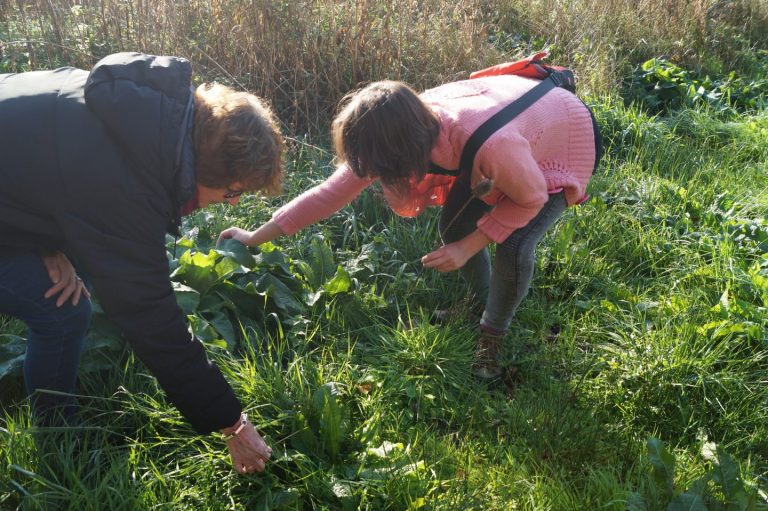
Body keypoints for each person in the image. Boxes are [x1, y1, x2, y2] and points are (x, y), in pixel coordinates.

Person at [0, 52, 282, 474]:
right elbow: (150, 317)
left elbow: (43, 168)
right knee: (61, 312)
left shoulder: (142, 116)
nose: (233, 203)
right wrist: (232, 424)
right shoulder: (126, 183)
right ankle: (59, 449)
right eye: (232, 192)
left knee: (66, 295)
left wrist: (47, 243)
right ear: (209, 167)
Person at [219, 74, 602, 380]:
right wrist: (256, 236)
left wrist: (469, 247)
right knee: (454, 225)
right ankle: (481, 303)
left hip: (561, 143)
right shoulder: (397, 130)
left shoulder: (487, 144)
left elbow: (530, 198)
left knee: (514, 244)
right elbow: (327, 194)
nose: (378, 178)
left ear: (405, 152)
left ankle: (492, 332)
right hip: (513, 138)